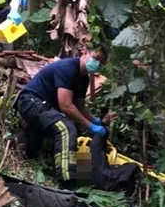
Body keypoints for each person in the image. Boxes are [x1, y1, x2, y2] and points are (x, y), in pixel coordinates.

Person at [15, 46, 110, 185]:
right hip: (30, 102)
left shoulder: (83, 78)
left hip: (43, 107)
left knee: (75, 130)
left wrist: (96, 121)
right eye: (95, 58)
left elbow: (79, 105)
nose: (97, 63)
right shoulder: (68, 68)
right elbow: (66, 106)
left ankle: (83, 179)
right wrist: (91, 126)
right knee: (66, 129)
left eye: (101, 62)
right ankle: (67, 181)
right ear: (85, 52)